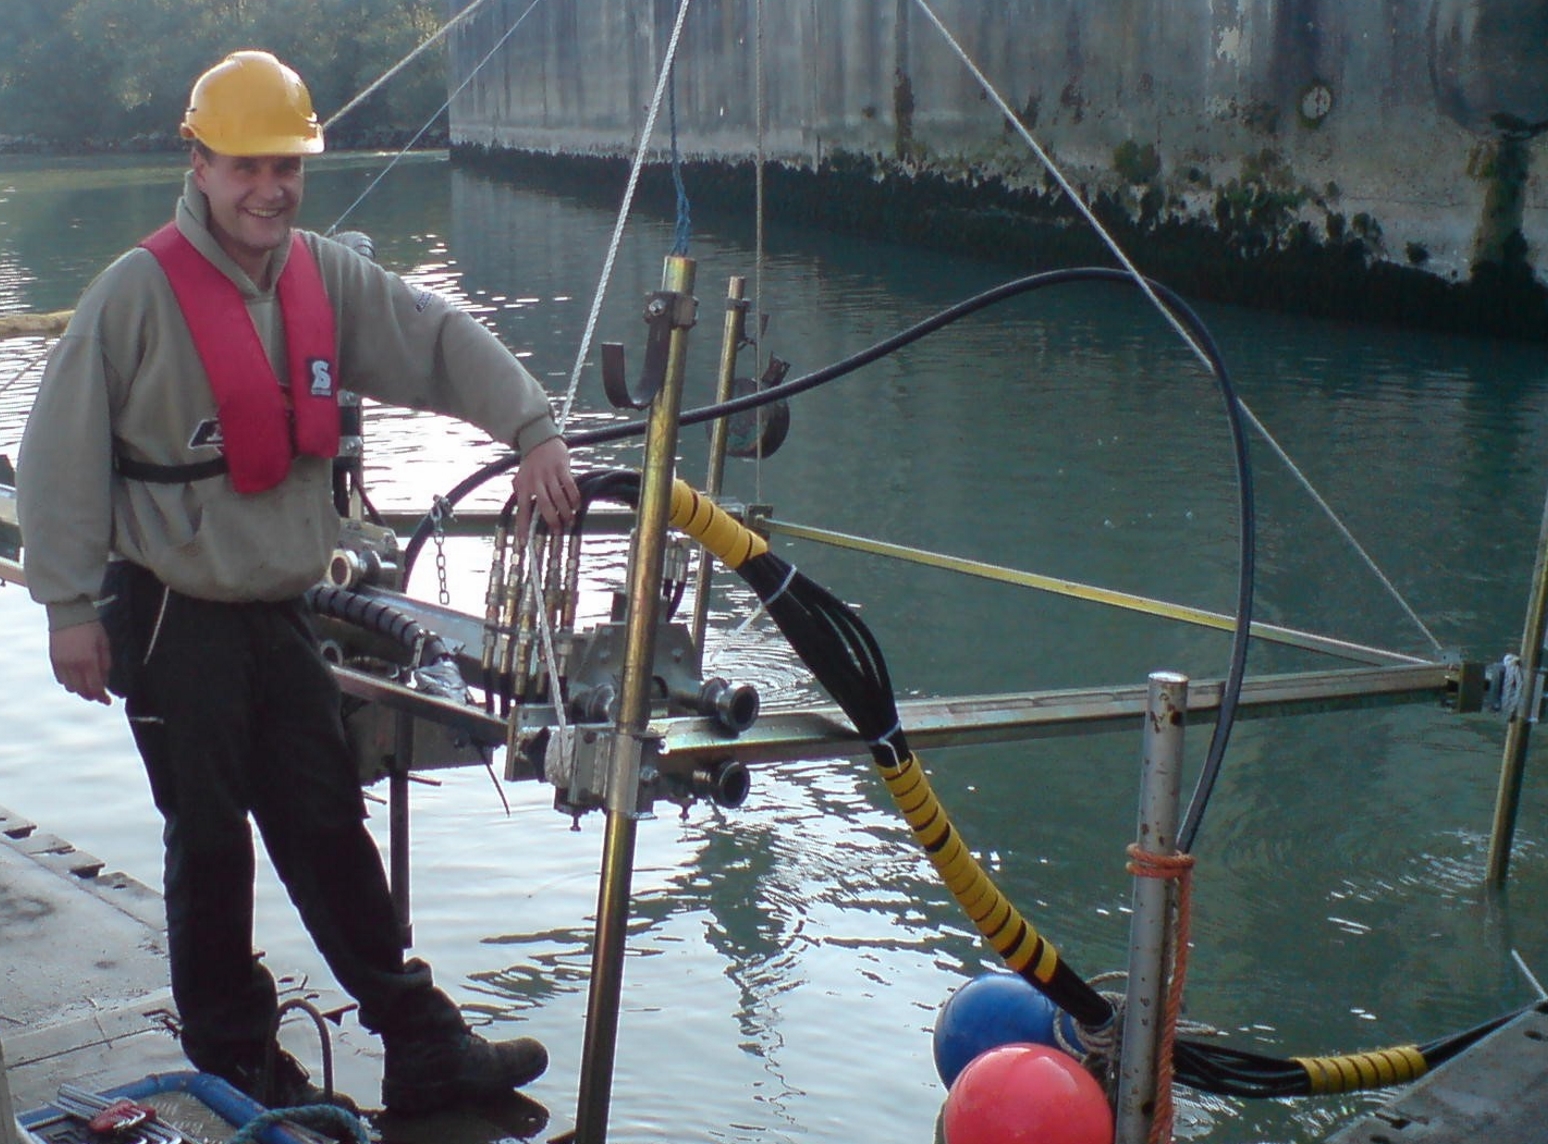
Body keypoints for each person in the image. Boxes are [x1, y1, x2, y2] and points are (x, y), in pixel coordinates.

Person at [16, 49, 580, 1115]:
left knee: (326, 822)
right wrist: (67, 608)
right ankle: (232, 1055)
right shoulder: (135, 293)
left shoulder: (321, 275)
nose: (268, 189)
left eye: (287, 166)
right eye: (246, 166)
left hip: (279, 611)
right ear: (199, 160)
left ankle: (420, 1041)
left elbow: (434, 335)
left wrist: (531, 424)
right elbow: (57, 455)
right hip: (171, 609)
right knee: (210, 838)